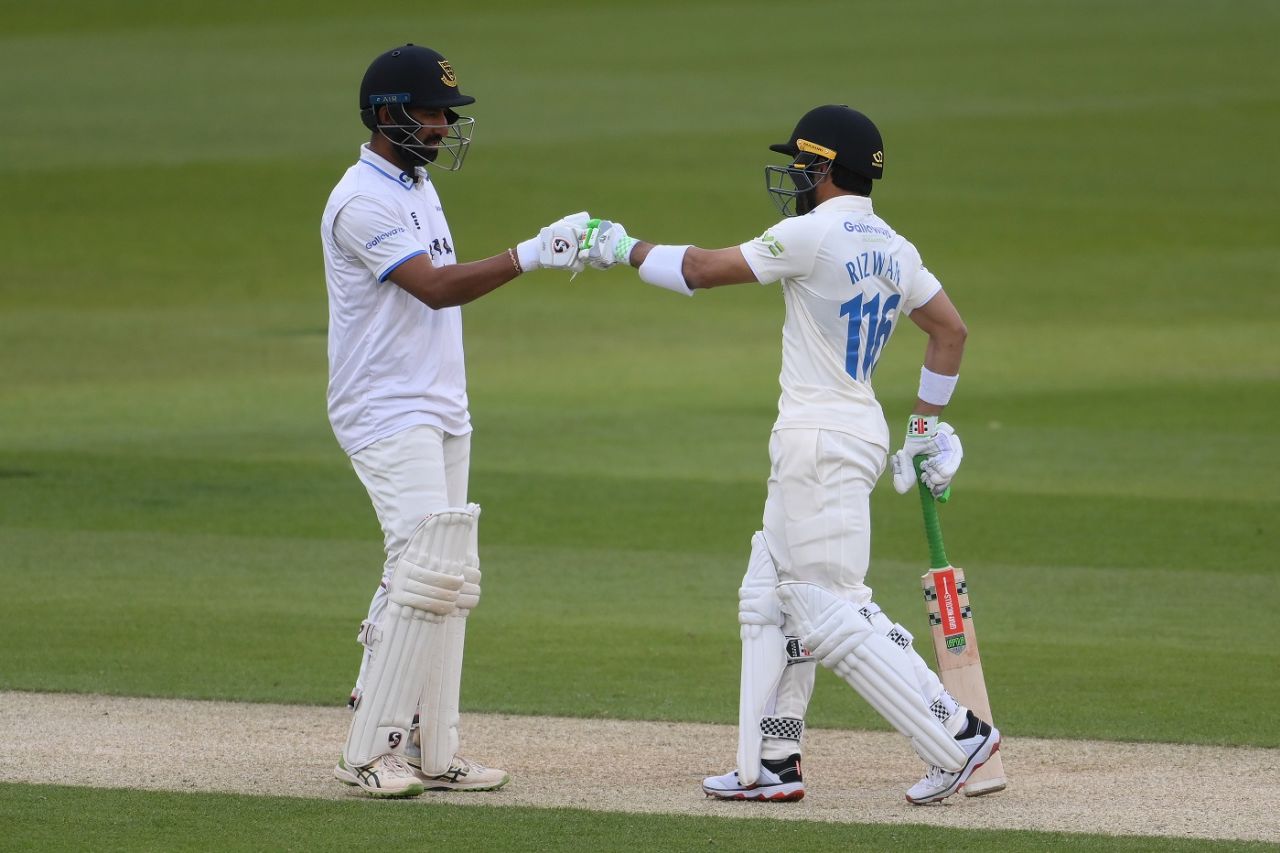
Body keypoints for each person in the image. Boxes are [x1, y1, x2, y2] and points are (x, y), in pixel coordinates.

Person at [580, 105, 999, 804]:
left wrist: (617, 245)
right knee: (770, 594)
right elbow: (948, 331)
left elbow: (703, 270)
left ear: (828, 168)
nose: (797, 175)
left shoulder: (811, 233)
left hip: (818, 440)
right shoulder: (896, 247)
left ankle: (954, 732)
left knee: (827, 605)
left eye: (806, 163)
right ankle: (773, 759)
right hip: (848, 431)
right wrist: (926, 424)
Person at [320, 43, 588, 798]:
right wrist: (531, 253)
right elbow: (435, 289)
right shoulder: (360, 200)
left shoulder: (415, 184)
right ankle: (366, 749)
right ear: (385, 115)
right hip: (383, 407)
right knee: (420, 571)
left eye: (446, 114)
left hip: (439, 404)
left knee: (451, 578)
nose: (442, 126)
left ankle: (437, 750)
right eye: (431, 113)